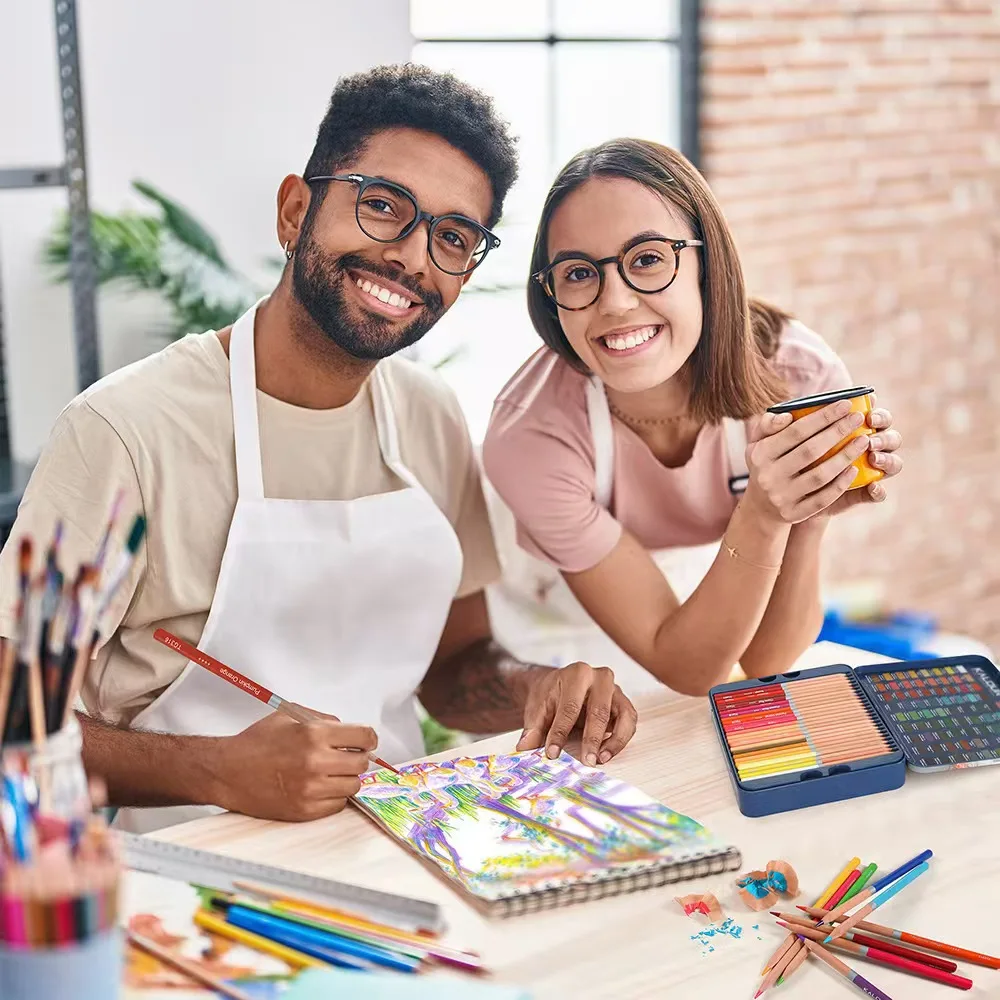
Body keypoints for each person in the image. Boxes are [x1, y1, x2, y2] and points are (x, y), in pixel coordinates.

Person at [0, 66, 638, 833]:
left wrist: (533, 689)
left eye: (453, 238)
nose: (411, 257)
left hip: (398, 839)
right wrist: (218, 770)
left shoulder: (428, 414)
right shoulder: (124, 431)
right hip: (179, 872)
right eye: (381, 207)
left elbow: (453, 670)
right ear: (295, 210)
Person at [482, 138, 903, 698]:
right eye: (579, 273)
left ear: (708, 263)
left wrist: (808, 513)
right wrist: (763, 513)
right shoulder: (532, 435)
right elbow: (687, 668)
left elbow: (768, 661)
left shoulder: (798, 378)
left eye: (648, 259)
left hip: (720, 602)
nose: (614, 303)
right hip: (556, 646)